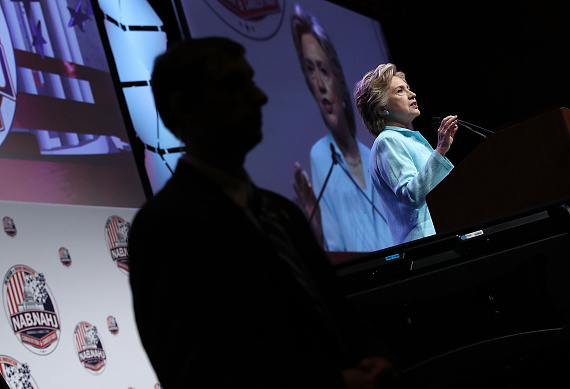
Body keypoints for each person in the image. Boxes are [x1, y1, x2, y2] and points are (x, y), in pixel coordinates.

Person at [128, 37, 400, 388]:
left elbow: (338, 316)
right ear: (185, 107)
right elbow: (196, 372)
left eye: (252, 80)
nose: (260, 96)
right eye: (234, 83)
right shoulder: (164, 228)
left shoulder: (281, 211)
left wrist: (377, 359)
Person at [290, 5, 393, 252]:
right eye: (309, 71)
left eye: (323, 70)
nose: (319, 84)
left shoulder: (374, 156)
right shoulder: (320, 154)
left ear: (337, 76)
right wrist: (316, 228)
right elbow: (335, 248)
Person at [353, 63, 457, 245]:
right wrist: (440, 151)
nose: (412, 94)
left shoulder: (406, 139)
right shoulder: (388, 141)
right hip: (428, 244)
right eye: (400, 91)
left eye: (408, 88)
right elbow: (412, 195)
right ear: (382, 108)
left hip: (444, 233)